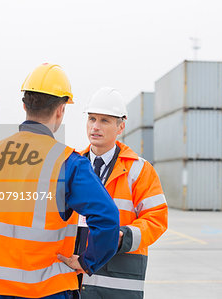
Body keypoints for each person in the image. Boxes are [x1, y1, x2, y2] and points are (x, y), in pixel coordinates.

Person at [0, 64, 120, 299]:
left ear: (25, 105)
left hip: (2, 290)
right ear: (60, 110)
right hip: (52, 289)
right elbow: (107, 217)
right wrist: (87, 262)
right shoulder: (69, 162)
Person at [77, 87, 168, 299]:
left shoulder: (139, 170)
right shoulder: (73, 165)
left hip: (119, 281)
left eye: (104, 121)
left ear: (121, 127)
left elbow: (157, 219)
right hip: (76, 276)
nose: (95, 127)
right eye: (92, 119)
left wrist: (122, 237)